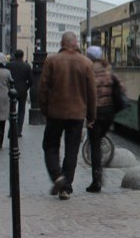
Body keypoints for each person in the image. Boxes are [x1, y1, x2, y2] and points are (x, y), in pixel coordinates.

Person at [39, 32, 96, 200]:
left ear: (62, 43)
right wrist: (91, 116)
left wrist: (44, 109)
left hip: (55, 113)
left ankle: (58, 177)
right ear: (76, 43)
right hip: (77, 114)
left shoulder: (52, 61)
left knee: (50, 146)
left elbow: (43, 89)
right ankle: (66, 188)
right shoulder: (86, 63)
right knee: (72, 150)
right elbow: (92, 93)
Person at [85, 45, 117, 193]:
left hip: (95, 112)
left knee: (95, 145)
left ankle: (96, 180)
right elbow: (120, 88)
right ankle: (100, 173)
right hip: (109, 113)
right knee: (98, 141)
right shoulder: (108, 69)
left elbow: (86, 92)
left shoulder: (88, 69)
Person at [6, 49, 33, 137]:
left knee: (12, 110)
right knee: (21, 111)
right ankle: (19, 130)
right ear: (22, 56)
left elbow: (7, 78)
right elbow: (31, 81)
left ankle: (12, 129)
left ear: (14, 56)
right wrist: (26, 87)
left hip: (12, 90)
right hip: (23, 90)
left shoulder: (9, 65)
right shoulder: (27, 66)